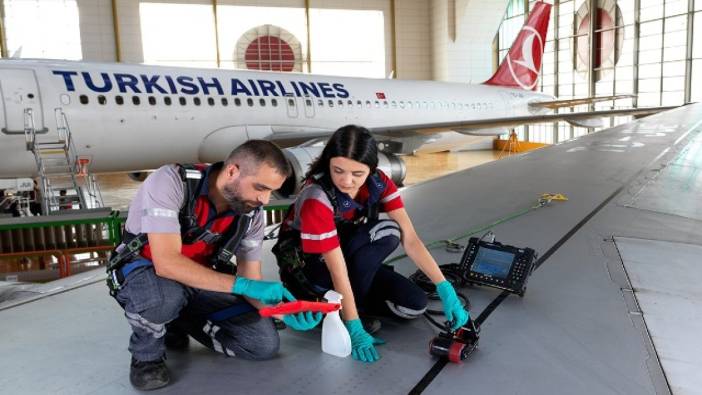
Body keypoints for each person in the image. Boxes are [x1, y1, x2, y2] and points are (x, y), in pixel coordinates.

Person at [107, 140, 322, 391]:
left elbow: (249, 274)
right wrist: (243, 285)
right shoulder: (170, 182)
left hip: (201, 279)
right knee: (162, 300)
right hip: (148, 272)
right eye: (260, 188)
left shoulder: (251, 214)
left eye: (271, 191)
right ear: (232, 171)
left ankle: (176, 320)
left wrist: (280, 309)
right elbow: (166, 263)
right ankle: (146, 357)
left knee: (262, 344)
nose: (264, 200)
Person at [273, 125, 469, 363]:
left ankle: (345, 305)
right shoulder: (317, 198)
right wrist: (353, 326)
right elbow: (337, 268)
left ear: (372, 169)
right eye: (338, 170)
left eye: (357, 174)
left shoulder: (378, 183)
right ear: (328, 163)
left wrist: (444, 288)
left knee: (414, 305)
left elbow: (411, 239)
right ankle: (333, 309)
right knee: (385, 231)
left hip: (349, 262)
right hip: (310, 273)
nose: (346, 181)